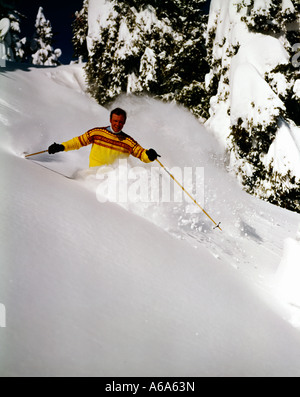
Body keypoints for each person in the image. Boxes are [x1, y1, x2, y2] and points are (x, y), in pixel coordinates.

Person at [48, 108, 160, 167]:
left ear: (124, 123)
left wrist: (149, 155)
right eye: (115, 121)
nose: (117, 124)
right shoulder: (97, 133)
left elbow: (141, 154)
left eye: (121, 122)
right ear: (110, 120)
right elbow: (78, 142)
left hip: (115, 180)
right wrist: (61, 147)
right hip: (93, 176)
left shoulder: (128, 141)